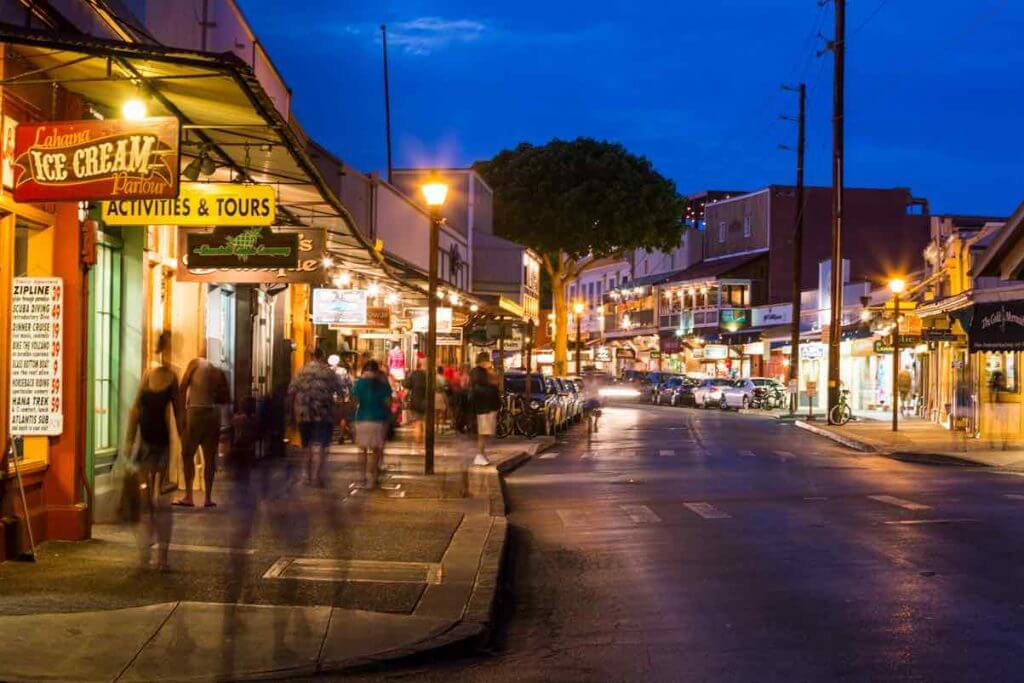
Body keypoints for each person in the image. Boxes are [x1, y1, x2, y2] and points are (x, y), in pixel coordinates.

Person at [123, 330, 182, 571]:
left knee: (161, 502)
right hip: (145, 442)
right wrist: (129, 440)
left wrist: (184, 445)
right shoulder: (149, 374)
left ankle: (162, 557)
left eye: (167, 347)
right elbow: (136, 409)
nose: (165, 352)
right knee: (146, 501)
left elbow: (179, 412)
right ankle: (145, 555)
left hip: (160, 442)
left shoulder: (173, 377)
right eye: (163, 347)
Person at [173, 355, 230, 508]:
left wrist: (181, 415)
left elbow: (183, 387)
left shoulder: (194, 362)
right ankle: (208, 498)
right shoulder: (216, 370)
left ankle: (189, 496)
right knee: (210, 457)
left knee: (187, 454)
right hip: (213, 414)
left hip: (196, 412)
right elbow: (225, 398)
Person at [288, 347, 345, 487]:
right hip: (323, 414)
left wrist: (291, 413)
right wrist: (340, 413)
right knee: (321, 445)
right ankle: (317, 477)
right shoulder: (328, 372)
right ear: (323, 356)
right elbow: (341, 392)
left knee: (306, 445)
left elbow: (291, 392)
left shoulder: (301, 371)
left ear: (312, 356)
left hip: (304, 413)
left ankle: (305, 476)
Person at [352, 359, 393, 489]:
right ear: (377, 371)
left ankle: (362, 478)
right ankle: (372, 479)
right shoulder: (383, 384)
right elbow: (388, 403)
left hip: (362, 419)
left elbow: (354, 401)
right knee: (375, 451)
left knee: (362, 450)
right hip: (378, 420)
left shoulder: (359, 383)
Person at [469, 352, 501, 466]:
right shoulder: (477, 372)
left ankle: (481, 454)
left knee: (486, 432)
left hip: (488, 406)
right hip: (483, 407)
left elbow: (495, 382)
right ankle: (480, 454)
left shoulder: (485, 372)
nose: (489, 362)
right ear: (483, 361)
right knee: (483, 432)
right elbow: (482, 386)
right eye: (488, 360)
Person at [404, 359, 428, 444]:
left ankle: (418, 443)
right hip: (427, 401)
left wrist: (404, 399)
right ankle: (424, 443)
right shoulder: (428, 375)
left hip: (415, 401)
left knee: (417, 423)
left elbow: (407, 389)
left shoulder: (413, 375)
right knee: (424, 423)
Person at [435, 365, 450, 431]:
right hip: (442, 394)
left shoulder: (434, 377)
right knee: (443, 411)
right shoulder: (444, 378)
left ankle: (437, 426)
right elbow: (446, 387)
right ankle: (442, 426)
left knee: (436, 412)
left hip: (436, 394)